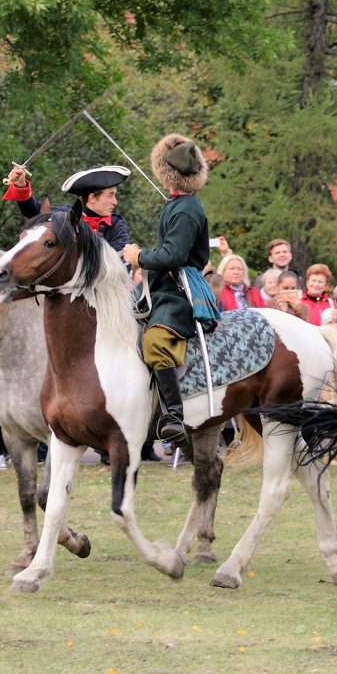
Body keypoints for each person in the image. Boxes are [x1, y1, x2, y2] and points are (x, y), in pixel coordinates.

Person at [122, 134, 211, 444]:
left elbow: (172, 255)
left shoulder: (186, 209)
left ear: (166, 172)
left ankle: (172, 414)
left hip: (179, 290)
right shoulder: (178, 204)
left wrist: (138, 256)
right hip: (161, 286)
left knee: (157, 340)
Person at [4, 164, 131, 252]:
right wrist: (20, 185)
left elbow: (120, 263)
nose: (115, 202)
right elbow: (33, 211)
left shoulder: (116, 225)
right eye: (110, 196)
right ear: (92, 198)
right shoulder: (66, 215)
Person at [301, 264, 337, 331]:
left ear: (326, 285)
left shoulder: (333, 305)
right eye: (313, 280)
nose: (316, 285)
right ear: (307, 282)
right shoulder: (299, 302)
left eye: (320, 282)